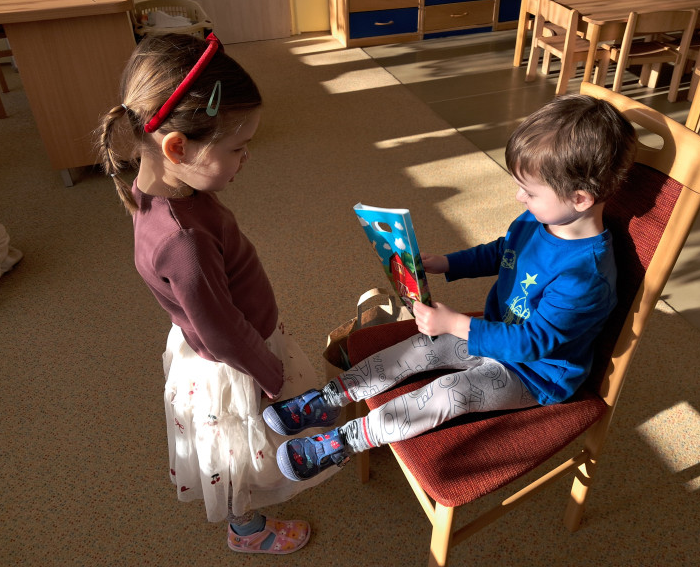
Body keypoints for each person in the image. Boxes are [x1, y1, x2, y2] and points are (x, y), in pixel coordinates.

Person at [263, 94, 637, 482]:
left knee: (451, 392)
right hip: (494, 333)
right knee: (422, 347)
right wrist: (446, 262)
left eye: (530, 191)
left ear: (580, 198)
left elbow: (530, 344)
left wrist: (456, 324)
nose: (519, 198)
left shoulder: (586, 277)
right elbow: (502, 251)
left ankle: (347, 440)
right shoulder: (538, 220)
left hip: (533, 374)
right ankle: (331, 398)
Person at [95, 32, 333, 555]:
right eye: (237, 148)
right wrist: (272, 375)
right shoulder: (183, 239)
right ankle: (245, 529)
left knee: (243, 442)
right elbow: (222, 330)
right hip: (233, 361)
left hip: (223, 341)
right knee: (235, 453)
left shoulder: (162, 189)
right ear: (177, 147)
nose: (246, 157)